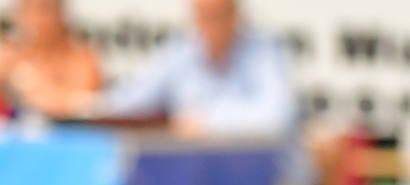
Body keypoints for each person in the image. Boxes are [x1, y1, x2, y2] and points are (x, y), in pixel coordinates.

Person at [18, 0, 295, 141]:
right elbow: (130, 100)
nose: (212, 25)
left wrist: (208, 122)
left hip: (263, 179)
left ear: (236, 14)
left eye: (219, 14)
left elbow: (277, 116)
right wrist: (76, 104)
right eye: (204, 15)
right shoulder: (181, 53)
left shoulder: (265, 52)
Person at [0, 0, 99, 119]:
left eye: (44, 9)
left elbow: (83, 105)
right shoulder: (10, 57)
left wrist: (28, 82)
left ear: (61, 14)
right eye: (28, 10)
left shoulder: (83, 58)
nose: (35, 18)